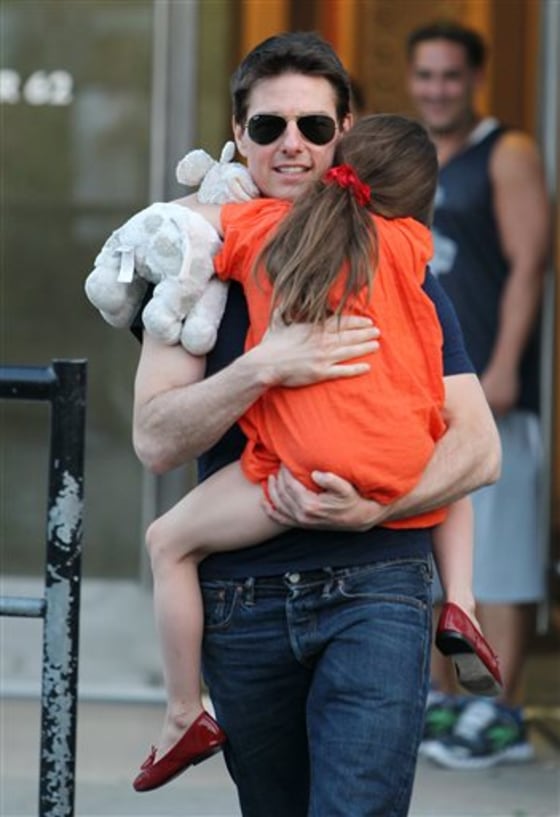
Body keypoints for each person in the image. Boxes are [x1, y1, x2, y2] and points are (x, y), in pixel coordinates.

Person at [133, 31, 501, 816]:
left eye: (313, 127)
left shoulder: (400, 263)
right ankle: (462, 602)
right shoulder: (197, 267)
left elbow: (476, 444)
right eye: (268, 127)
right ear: (238, 134)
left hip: (377, 583)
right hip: (242, 603)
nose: (291, 145)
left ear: (345, 137)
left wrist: (377, 503)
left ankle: (178, 711)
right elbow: (155, 439)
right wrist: (265, 365)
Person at [406, 20, 550, 769]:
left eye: (450, 76)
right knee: (442, 549)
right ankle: (449, 698)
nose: (437, 89)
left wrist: (501, 366)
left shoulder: (509, 151)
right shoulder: (418, 158)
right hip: (428, 392)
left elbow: (531, 265)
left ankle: (500, 709)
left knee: (501, 557)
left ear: (475, 80)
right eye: (425, 76)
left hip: (494, 389)